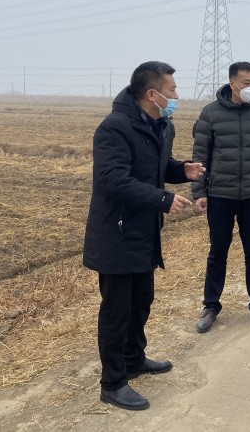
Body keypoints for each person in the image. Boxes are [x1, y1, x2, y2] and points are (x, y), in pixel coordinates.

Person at [83, 61, 205, 411]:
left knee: (141, 302)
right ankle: (112, 383)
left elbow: (155, 168)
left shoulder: (161, 125)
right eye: (172, 90)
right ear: (152, 94)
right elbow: (113, 179)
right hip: (116, 233)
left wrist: (181, 170)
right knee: (117, 312)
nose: (176, 95)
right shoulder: (115, 127)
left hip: (144, 232)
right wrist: (162, 199)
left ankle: (134, 359)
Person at [191, 61, 250, 333]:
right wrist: (199, 191)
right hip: (220, 193)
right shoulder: (211, 112)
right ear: (232, 83)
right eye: (247, 83)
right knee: (217, 251)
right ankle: (211, 306)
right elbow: (201, 154)